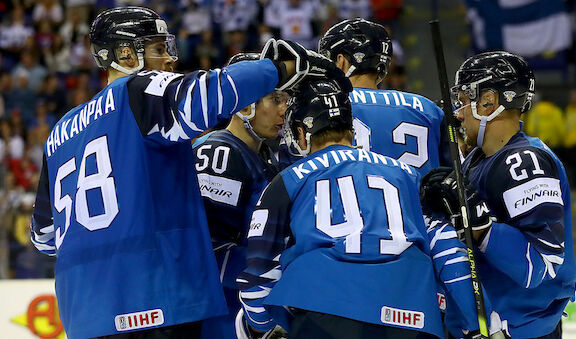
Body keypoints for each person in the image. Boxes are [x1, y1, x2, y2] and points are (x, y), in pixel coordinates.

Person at [29, 6, 335, 338]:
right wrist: (280, 68)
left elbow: (44, 236)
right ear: (126, 55)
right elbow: (206, 97)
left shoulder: (59, 132)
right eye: (159, 49)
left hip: (82, 314)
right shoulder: (138, 90)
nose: (170, 59)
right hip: (154, 297)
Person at [236, 78, 485, 339]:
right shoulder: (409, 176)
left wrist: (264, 326)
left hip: (324, 313)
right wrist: (476, 324)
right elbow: (447, 246)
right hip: (411, 317)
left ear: (302, 132)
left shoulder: (289, 179)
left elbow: (257, 278)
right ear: (350, 128)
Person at [421, 51, 576, 338]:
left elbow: (539, 266)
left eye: (465, 100)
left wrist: (481, 226)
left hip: (518, 328)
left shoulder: (524, 162)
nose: (458, 111)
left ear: (489, 101)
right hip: (487, 325)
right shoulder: (478, 159)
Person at [192, 52, 287, 338]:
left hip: (251, 300)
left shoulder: (269, 155)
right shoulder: (217, 152)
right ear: (245, 106)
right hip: (222, 308)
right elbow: (207, 251)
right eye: (275, 99)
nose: (284, 109)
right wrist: (275, 274)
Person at [318, 18, 448, 178]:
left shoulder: (325, 105)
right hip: (418, 201)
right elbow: (454, 174)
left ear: (341, 61)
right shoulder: (428, 108)